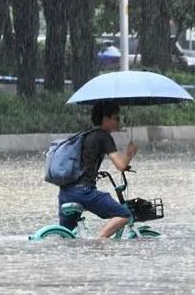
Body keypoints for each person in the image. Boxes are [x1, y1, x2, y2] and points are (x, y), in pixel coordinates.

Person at [58, 101, 138, 238]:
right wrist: (129, 153)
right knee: (124, 214)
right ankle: (99, 242)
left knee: (67, 238)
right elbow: (120, 166)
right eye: (116, 118)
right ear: (106, 119)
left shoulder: (85, 134)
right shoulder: (103, 136)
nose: (118, 122)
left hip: (66, 192)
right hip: (83, 193)